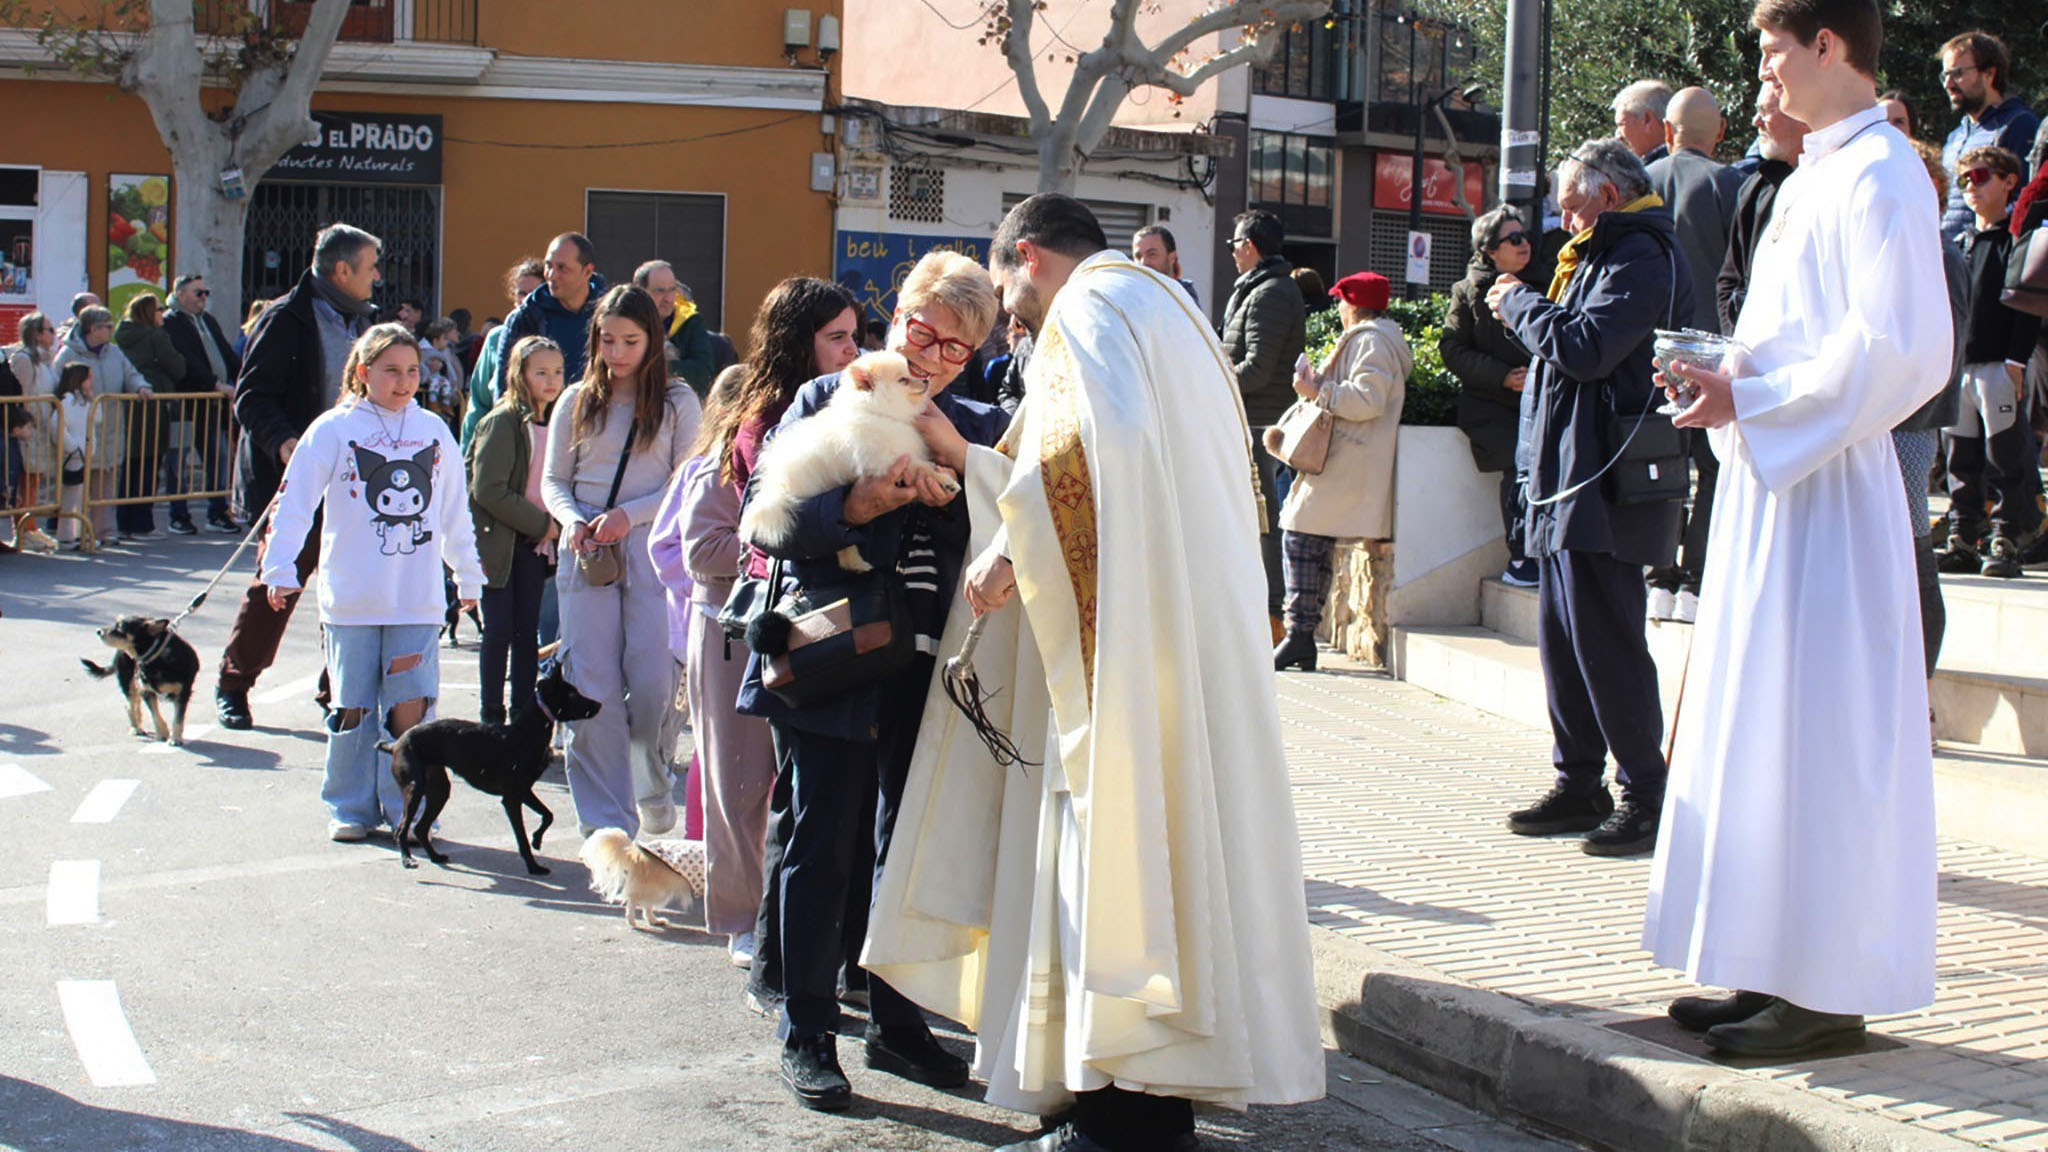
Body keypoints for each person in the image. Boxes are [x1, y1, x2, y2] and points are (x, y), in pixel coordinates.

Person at [865, 193, 1325, 1152]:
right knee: (1168, 854)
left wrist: (1006, 549)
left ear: (1025, 256)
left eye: (1006, 294)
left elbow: (1088, 454)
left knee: (1113, 851)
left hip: (1121, 642)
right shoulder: (1172, 308)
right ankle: (1137, 1093)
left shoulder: (1086, 310)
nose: (1012, 318)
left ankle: (1125, 1115)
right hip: (1180, 628)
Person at [1648, 0, 1952, 1059]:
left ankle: (1825, 987)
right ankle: (1766, 960)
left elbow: (1905, 346)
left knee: (1817, 732)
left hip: (1829, 494)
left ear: (1829, 46)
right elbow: (1795, 336)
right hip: (1774, 489)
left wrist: (1757, 403)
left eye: (1774, 53)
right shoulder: (1814, 173)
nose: (1762, 78)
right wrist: (1724, 376)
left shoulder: (1880, 174)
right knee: (1759, 727)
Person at [732, 253, 1005, 1112]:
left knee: (909, 846)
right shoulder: (828, 395)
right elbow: (768, 521)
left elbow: (1008, 521)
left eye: (957, 349)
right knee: (823, 839)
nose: (932, 358)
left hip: (933, 665)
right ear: (899, 317)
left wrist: (950, 463)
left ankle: (898, 1020)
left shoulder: (981, 424)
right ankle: (807, 1025)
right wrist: (854, 509)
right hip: (837, 657)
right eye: (924, 331)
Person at [1487, 137, 1687, 858]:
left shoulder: (1640, 254)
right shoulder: (1595, 253)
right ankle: (1580, 782)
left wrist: (1520, 307)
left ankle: (1645, 791)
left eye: (1570, 203)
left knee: (1606, 638)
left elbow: (1587, 347)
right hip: (1566, 476)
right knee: (1564, 641)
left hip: (1606, 477)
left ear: (1607, 194)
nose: (1560, 219)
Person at [697, 277, 860, 1011]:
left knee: (802, 800)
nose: (853, 352)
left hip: (830, 622)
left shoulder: (847, 399)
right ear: (799, 343)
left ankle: (788, 960)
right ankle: (774, 958)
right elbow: (775, 527)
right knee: (783, 799)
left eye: (856, 336)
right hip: (791, 625)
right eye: (837, 338)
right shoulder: (768, 420)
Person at [261, 323, 484, 843]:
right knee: (352, 710)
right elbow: (294, 505)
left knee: (411, 716)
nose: (404, 382)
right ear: (363, 374)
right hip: (351, 602)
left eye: (411, 371)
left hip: (416, 602)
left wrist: (467, 573)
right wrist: (280, 567)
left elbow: (455, 511)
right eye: (390, 371)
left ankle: (408, 809)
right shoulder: (333, 429)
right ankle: (349, 807)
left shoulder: (433, 430)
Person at [540, 285, 703, 839]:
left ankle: (648, 772)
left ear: (652, 341)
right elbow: (554, 480)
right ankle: (605, 825)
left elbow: (687, 484)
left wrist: (627, 516)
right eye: (607, 340)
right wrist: (572, 520)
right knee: (591, 686)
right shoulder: (576, 398)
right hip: (586, 550)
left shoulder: (679, 400)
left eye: (630, 340)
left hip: (653, 547)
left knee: (655, 679)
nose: (617, 352)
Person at [215, 223, 382, 731]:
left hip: (355, 479)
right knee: (278, 584)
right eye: (371, 267)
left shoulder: (365, 324)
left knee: (353, 586)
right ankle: (234, 683)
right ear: (342, 270)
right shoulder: (285, 318)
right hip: (294, 478)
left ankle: (339, 690)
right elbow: (252, 397)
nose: (377, 277)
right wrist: (285, 441)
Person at [648, 366, 771, 969]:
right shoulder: (713, 466)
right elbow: (684, 552)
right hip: (722, 626)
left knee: (764, 784)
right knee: (732, 781)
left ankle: (769, 912)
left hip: (773, 629)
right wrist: (784, 550)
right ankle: (739, 918)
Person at [1642, 87, 1745, 623]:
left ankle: (1656, 574)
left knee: (1660, 464)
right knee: (1711, 466)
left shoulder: (1643, 183)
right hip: (1712, 348)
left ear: (1665, 131)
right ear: (1721, 133)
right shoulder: (1732, 184)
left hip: (1650, 348)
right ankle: (1697, 580)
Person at [1273, 271, 1410, 673]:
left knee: (1300, 537)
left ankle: (1300, 636)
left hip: (1348, 460)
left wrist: (1318, 391)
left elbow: (1369, 400)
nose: (1337, 309)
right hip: (1345, 461)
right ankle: (1301, 637)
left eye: (1340, 301)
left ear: (1353, 304)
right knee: (1308, 541)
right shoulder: (1375, 339)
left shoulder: (1371, 341)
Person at [1936, 145, 2041, 579]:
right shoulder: (1961, 243)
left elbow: (2026, 307)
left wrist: (2017, 361)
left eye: (1980, 177)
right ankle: (1963, 533)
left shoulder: (2016, 241)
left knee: (2006, 457)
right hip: (1961, 367)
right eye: (1964, 181)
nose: (1970, 188)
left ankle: (2008, 535)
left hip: (2000, 365)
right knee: (1961, 457)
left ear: (2009, 181)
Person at [467, 335, 564, 725]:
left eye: (557, 371)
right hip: (502, 544)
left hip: (537, 547)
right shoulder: (503, 421)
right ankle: (492, 715)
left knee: (528, 634)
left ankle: (524, 716)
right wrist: (544, 524)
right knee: (499, 632)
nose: (551, 380)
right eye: (540, 372)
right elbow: (488, 489)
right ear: (519, 374)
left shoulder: (557, 421)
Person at [1218, 208, 1306, 637]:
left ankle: (1272, 617)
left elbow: (1257, 368)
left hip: (1261, 428)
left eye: (1235, 244)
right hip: (1250, 423)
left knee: (1264, 522)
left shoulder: (1270, 292)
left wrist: (1213, 377)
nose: (1232, 252)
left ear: (1249, 247)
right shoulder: (1257, 288)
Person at [1443, 206, 1537, 588]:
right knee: (1518, 473)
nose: (1524, 244)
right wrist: (1503, 378)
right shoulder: (1467, 292)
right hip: (1493, 408)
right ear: (1489, 250)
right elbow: (1452, 349)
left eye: (1525, 236)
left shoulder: (1545, 282)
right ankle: (1522, 557)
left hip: (1540, 402)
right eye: (1513, 239)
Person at [1716, 84, 1809, 332]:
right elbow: (1730, 279)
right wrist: (1735, 342)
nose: (1756, 121)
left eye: (1765, 111)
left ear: (1800, 116)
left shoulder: (1835, 183)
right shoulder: (1756, 188)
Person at [55, 304, 147, 544]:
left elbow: (131, 373)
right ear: (93, 329)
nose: (111, 330)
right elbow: (57, 386)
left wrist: (141, 386)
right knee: (78, 485)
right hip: (80, 430)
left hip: (111, 426)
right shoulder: (68, 354)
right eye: (107, 326)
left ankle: (106, 531)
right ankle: (77, 532)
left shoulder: (114, 352)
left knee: (107, 479)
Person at [1938, 30, 2039, 245]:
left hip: (1992, 256)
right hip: (1950, 257)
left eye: (1957, 73)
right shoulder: (1955, 136)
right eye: (1944, 75)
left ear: (1989, 74)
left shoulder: (2020, 125)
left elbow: (2028, 201)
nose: (1948, 84)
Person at [162, 275, 241, 534]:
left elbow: (226, 353)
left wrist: (240, 378)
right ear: (181, 294)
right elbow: (185, 361)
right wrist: (214, 384)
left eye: (206, 292)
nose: (204, 297)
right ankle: (179, 515)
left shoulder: (207, 320)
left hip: (211, 405)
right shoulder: (171, 321)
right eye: (198, 293)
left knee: (217, 455)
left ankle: (218, 511)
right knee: (179, 460)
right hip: (185, 402)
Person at [112, 294, 185, 541]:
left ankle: (125, 521)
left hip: (130, 406)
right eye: (158, 309)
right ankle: (143, 523)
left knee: (132, 464)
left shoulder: (121, 337)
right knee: (150, 461)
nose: (162, 313)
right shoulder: (156, 337)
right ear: (147, 313)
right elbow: (177, 366)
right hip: (152, 404)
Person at [497, 234, 604, 402]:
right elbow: (506, 389)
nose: (552, 275)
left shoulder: (610, 314)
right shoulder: (526, 317)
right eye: (548, 266)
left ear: (587, 271)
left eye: (562, 268)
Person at [461, 257, 544, 447]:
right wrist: (466, 453)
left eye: (534, 293)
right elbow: (478, 404)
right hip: (499, 443)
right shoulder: (496, 339)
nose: (526, 300)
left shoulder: (551, 338)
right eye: (521, 293)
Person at [6, 313, 61, 552]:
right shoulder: (24, 359)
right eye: (49, 329)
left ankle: (30, 526)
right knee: (24, 480)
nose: (54, 333)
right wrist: (25, 424)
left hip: (42, 426)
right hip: (28, 428)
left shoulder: (45, 359)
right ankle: (23, 529)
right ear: (37, 333)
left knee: (34, 479)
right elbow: (22, 395)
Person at [632, 259, 717, 394]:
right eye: (659, 291)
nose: (668, 298)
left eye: (672, 290)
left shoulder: (689, 321)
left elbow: (703, 374)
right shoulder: (627, 322)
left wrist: (655, 367)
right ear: (640, 293)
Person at [50, 363, 98, 549]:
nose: (91, 381)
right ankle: (66, 536)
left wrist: (92, 400)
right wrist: (73, 447)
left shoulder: (84, 401)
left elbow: (98, 419)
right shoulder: (67, 401)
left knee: (80, 496)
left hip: (85, 452)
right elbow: (56, 425)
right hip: (75, 454)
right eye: (88, 378)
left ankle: (78, 533)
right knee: (71, 496)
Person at [1130, 223, 1200, 306]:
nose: (1143, 263)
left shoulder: (1184, 298)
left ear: (1172, 258)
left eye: (1152, 254)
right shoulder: (1130, 294)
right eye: (1138, 256)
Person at [419, 318, 464, 431]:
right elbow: (421, 366)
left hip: (441, 382)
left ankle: (445, 403)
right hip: (430, 385)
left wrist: (453, 380)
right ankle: (434, 402)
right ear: (436, 340)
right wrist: (426, 376)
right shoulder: (423, 351)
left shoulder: (443, 352)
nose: (446, 342)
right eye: (444, 339)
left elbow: (448, 368)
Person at [1614, 79, 1675, 162]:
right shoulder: (1688, 159)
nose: (1618, 136)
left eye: (1621, 124)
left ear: (1647, 120)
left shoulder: (1657, 171)